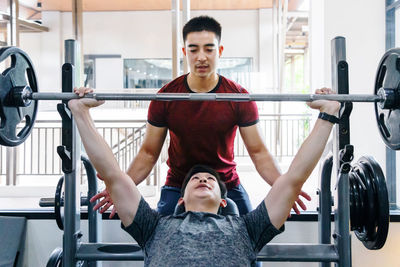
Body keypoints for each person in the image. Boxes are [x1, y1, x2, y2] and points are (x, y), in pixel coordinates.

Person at [68, 87, 340, 266]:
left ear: (224, 201)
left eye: (211, 180)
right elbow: (114, 176)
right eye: (194, 179)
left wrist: (328, 113)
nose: (203, 179)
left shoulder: (247, 229)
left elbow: (293, 179)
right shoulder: (154, 228)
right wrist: (80, 112)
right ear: (181, 200)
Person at [90, 15, 310, 217]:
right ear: (185, 52)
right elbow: (148, 154)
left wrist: (284, 188)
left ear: (220, 51)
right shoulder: (167, 97)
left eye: (209, 49)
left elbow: (259, 152)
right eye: (193, 49)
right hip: (178, 184)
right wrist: (121, 188)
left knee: (251, 241)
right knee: (158, 241)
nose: (201, 57)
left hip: (227, 183)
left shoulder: (239, 97)